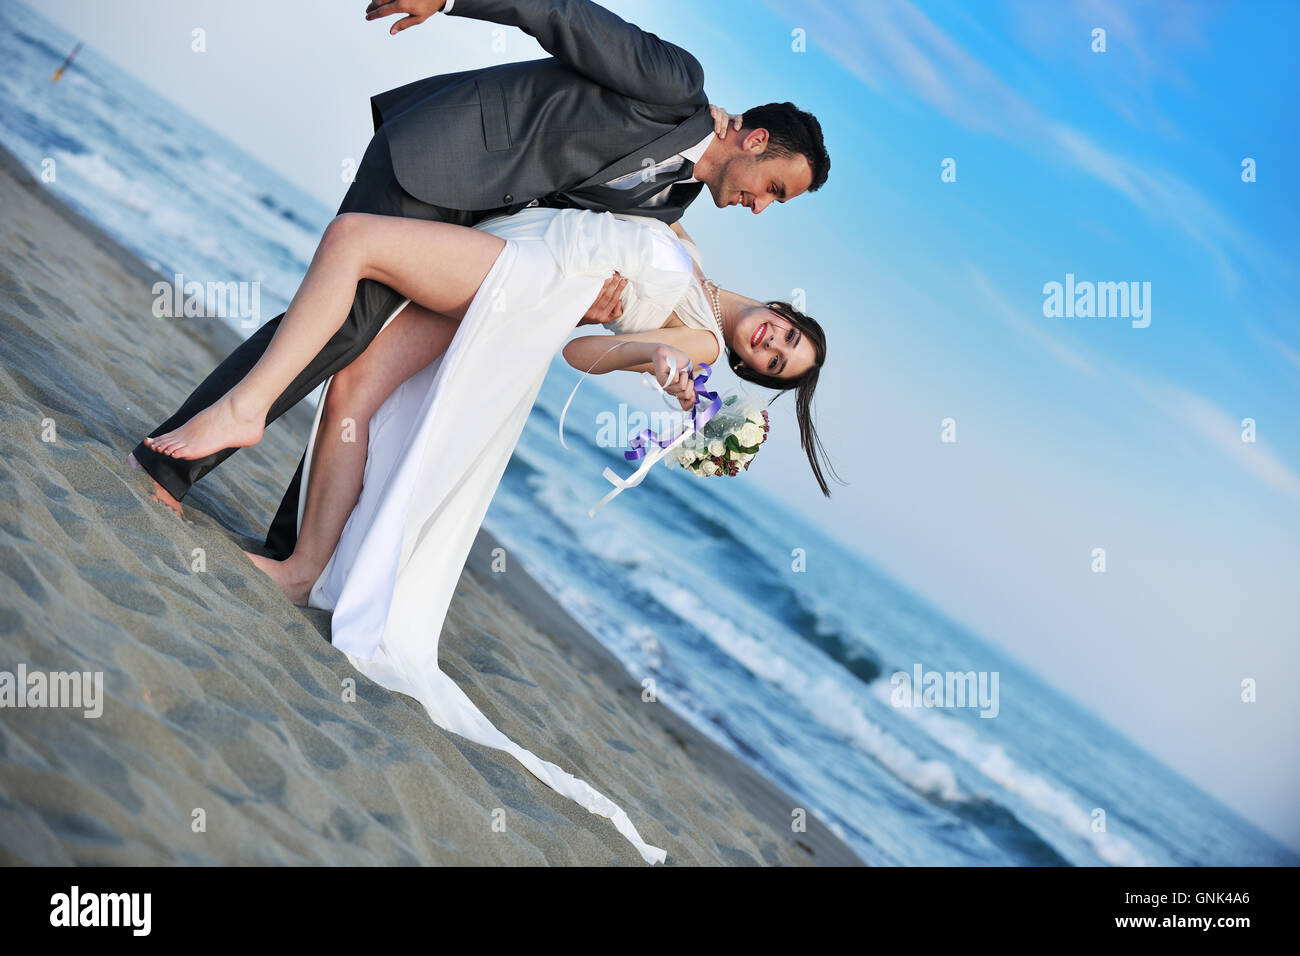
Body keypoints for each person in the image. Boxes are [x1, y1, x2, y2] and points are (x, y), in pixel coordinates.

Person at [140, 202, 837, 864]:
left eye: (776, 363)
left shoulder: (701, 342)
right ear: (784, 312)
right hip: (521, 249)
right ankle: (306, 565)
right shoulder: (694, 255)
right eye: (788, 337)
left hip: (523, 295)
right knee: (356, 386)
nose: (772, 345)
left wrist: (651, 362)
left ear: (748, 370)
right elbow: (646, 186)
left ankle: (298, 563)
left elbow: (583, 354)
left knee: (361, 287)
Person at [128, 0, 831, 569]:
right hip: (444, 152)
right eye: (773, 188)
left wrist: (595, 304)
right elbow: (560, 13)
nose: (761, 205)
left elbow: (575, 231)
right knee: (344, 328)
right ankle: (174, 469)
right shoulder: (677, 84)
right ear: (756, 140)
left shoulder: (670, 206)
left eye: (777, 203)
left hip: (481, 231)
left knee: (364, 363)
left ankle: (292, 549)